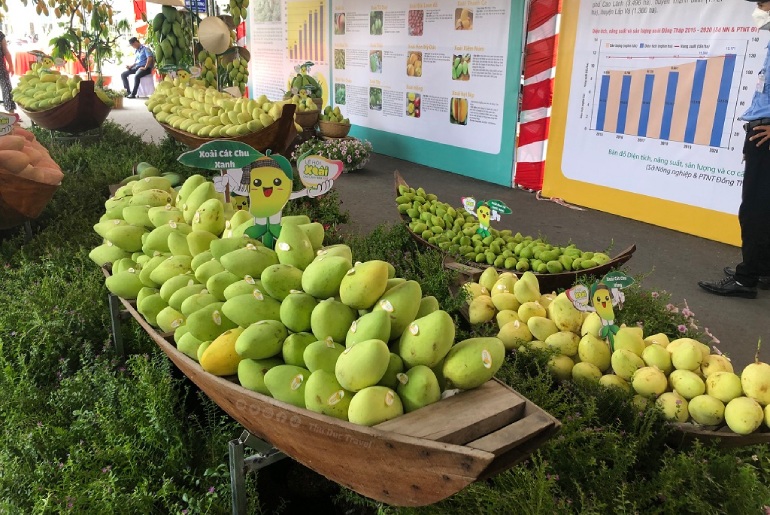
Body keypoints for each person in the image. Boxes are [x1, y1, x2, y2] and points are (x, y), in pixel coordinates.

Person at [698, 0, 770, 298]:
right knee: (761, 207)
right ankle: (762, 269)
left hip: (766, 136)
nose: (760, 10)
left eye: (763, 3)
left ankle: (746, 279)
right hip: (760, 132)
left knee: (755, 210)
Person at [0, 29, 15, 113]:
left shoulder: (0, 35)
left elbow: (6, 51)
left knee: (7, 88)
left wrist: (11, 66)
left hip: (1, 68)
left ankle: (11, 112)